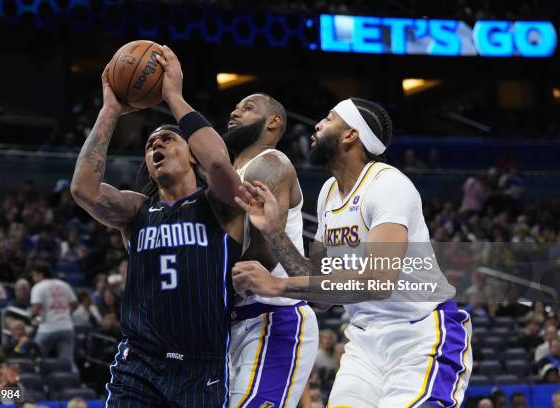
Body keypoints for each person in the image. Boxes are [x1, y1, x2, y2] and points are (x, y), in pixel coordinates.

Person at [232, 98, 471, 407]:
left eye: (329, 119)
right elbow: (318, 291)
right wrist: (275, 234)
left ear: (350, 135)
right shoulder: (328, 194)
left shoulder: (388, 184)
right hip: (363, 341)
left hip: (422, 334)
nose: (317, 125)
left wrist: (277, 285)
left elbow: (379, 281)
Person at [70, 45, 244, 407]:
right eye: (150, 145)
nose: (156, 145)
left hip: (201, 368)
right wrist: (110, 110)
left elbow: (220, 166)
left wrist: (173, 97)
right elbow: (83, 190)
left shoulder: (217, 204)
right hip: (139, 365)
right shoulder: (137, 211)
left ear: (192, 153)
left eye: (167, 139)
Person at [223, 94, 318, 407]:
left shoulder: (270, 163)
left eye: (248, 107)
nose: (236, 111)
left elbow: (265, 252)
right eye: (237, 107)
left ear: (274, 122)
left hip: (273, 316)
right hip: (233, 321)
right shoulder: (227, 177)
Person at [30, 262, 77, 365]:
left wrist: (29, 317)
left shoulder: (38, 287)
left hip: (47, 329)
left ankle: (41, 379)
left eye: (34, 275)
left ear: (40, 274)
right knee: (67, 362)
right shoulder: (64, 285)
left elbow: (36, 309)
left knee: (36, 359)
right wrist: (65, 313)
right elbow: (74, 304)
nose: (33, 278)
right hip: (66, 327)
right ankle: (69, 379)